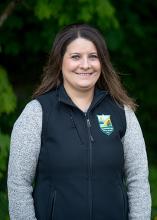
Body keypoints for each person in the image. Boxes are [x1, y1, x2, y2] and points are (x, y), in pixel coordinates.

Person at [7, 23, 151, 220]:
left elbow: (138, 180)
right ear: (60, 62)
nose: (85, 65)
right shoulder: (37, 113)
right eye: (75, 57)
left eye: (93, 56)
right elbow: (18, 184)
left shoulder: (121, 112)